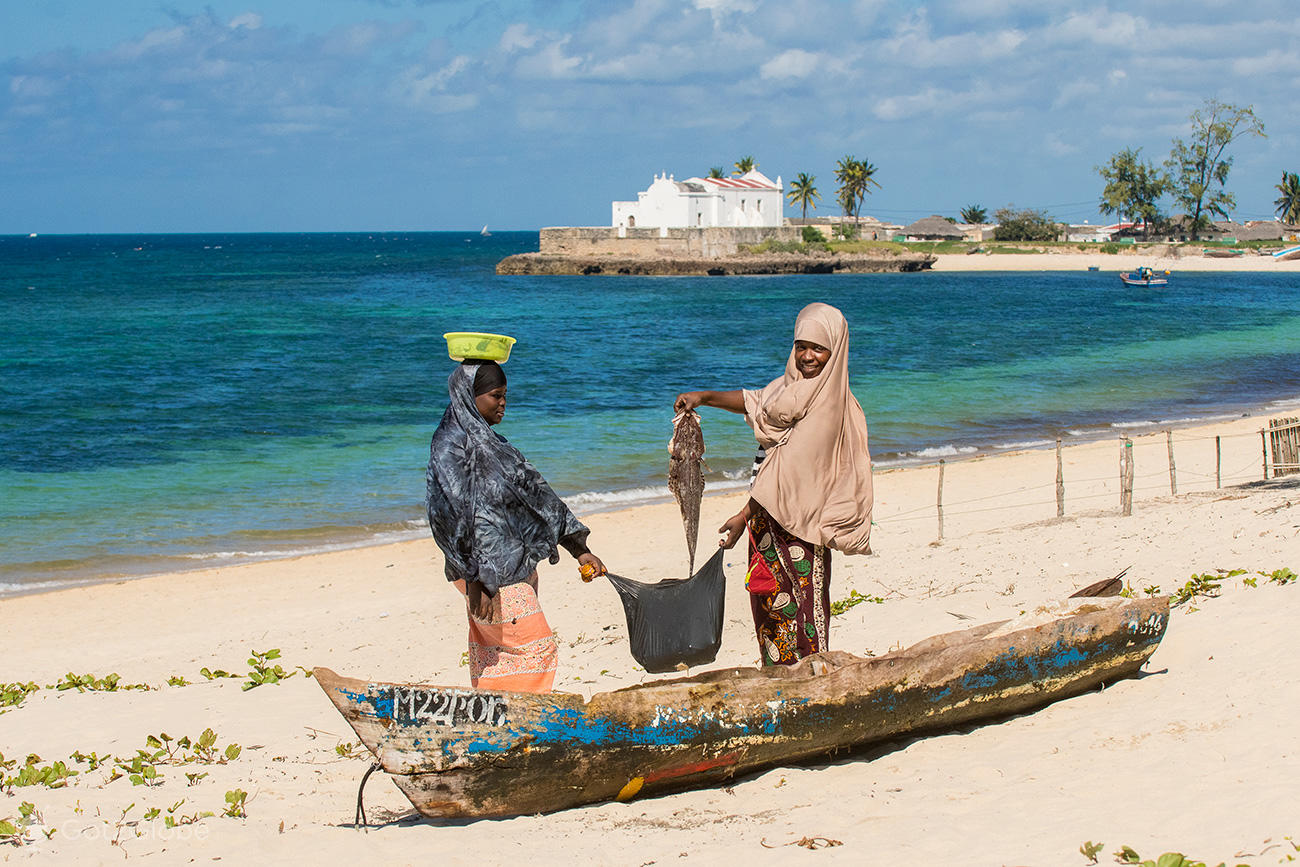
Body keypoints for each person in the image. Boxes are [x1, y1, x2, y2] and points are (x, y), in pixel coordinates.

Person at [674, 302, 873, 666]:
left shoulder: (831, 404)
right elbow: (756, 402)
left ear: (836, 350)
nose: (808, 356)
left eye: (818, 348)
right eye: (801, 346)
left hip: (802, 526)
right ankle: (778, 680)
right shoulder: (788, 388)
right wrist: (703, 397)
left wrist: (743, 516)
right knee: (769, 605)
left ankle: (813, 685)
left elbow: (790, 470)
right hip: (769, 516)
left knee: (802, 611)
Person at [425, 359, 605, 693]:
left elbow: (539, 496)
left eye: (505, 394)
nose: (503, 403)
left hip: (513, 570)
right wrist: (475, 579)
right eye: (495, 395)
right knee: (535, 648)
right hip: (486, 577)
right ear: (469, 395)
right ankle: (524, 728)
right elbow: (447, 518)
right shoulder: (449, 448)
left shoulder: (495, 446)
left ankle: (497, 725)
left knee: (497, 656)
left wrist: (580, 550)